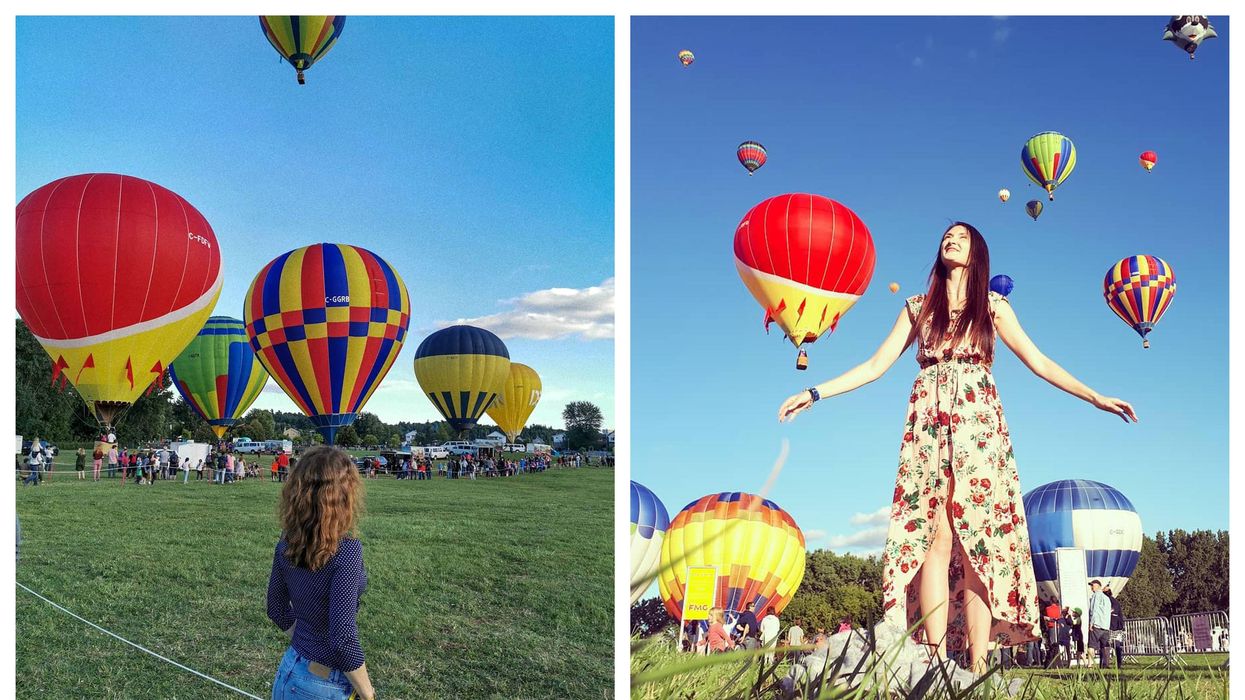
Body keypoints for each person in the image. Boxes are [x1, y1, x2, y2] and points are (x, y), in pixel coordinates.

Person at [778, 222, 1137, 674]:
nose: (951, 240)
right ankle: (933, 661)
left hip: (978, 425)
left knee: (978, 544)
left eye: (962, 237)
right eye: (946, 235)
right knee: (934, 537)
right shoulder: (916, 307)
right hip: (927, 423)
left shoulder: (993, 307)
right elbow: (874, 366)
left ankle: (980, 664)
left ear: (977, 252)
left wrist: (1096, 397)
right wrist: (816, 393)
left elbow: (1039, 361)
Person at [266, 446, 376, 700]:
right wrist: (367, 693)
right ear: (345, 494)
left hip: (291, 670)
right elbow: (343, 638)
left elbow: (276, 608)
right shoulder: (347, 551)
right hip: (323, 685)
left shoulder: (286, 543)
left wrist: (307, 641)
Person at [1087, 580, 1113, 669]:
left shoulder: (1096, 596)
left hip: (1097, 624)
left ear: (1098, 586)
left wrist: (1091, 623)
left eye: (1092, 585)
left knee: (1091, 645)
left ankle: (1090, 664)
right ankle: (1105, 664)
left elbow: (1094, 610)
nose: (1091, 587)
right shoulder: (1107, 598)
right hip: (1105, 626)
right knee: (1105, 646)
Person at [1105, 587, 1125, 668]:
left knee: (1113, 645)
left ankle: (1117, 663)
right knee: (1111, 645)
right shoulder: (1113, 601)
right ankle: (1110, 663)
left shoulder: (1111, 601)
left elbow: (1113, 611)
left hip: (1114, 626)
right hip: (1115, 626)